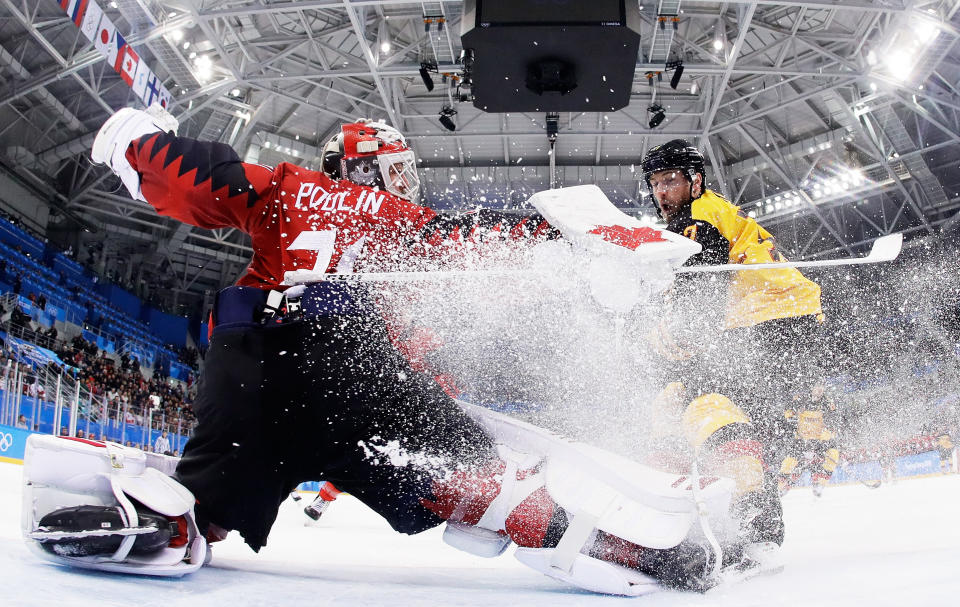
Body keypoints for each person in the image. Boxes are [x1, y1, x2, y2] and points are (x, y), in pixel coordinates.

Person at [19, 107, 750, 595]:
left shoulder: (286, 189)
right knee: (483, 489)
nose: (403, 184)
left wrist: (135, 143)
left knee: (213, 507)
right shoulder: (411, 223)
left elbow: (202, 178)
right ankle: (652, 555)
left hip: (254, 361)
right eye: (395, 169)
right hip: (357, 365)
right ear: (368, 166)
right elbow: (501, 244)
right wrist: (601, 255)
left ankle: (160, 512)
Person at [641, 140, 825, 555]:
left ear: (695, 181)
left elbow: (701, 293)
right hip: (772, 322)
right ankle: (671, 514)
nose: (661, 192)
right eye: (655, 184)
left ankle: (759, 530)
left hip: (775, 323)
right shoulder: (704, 214)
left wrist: (677, 337)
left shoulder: (699, 217)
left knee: (712, 407)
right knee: (673, 405)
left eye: (670, 180)